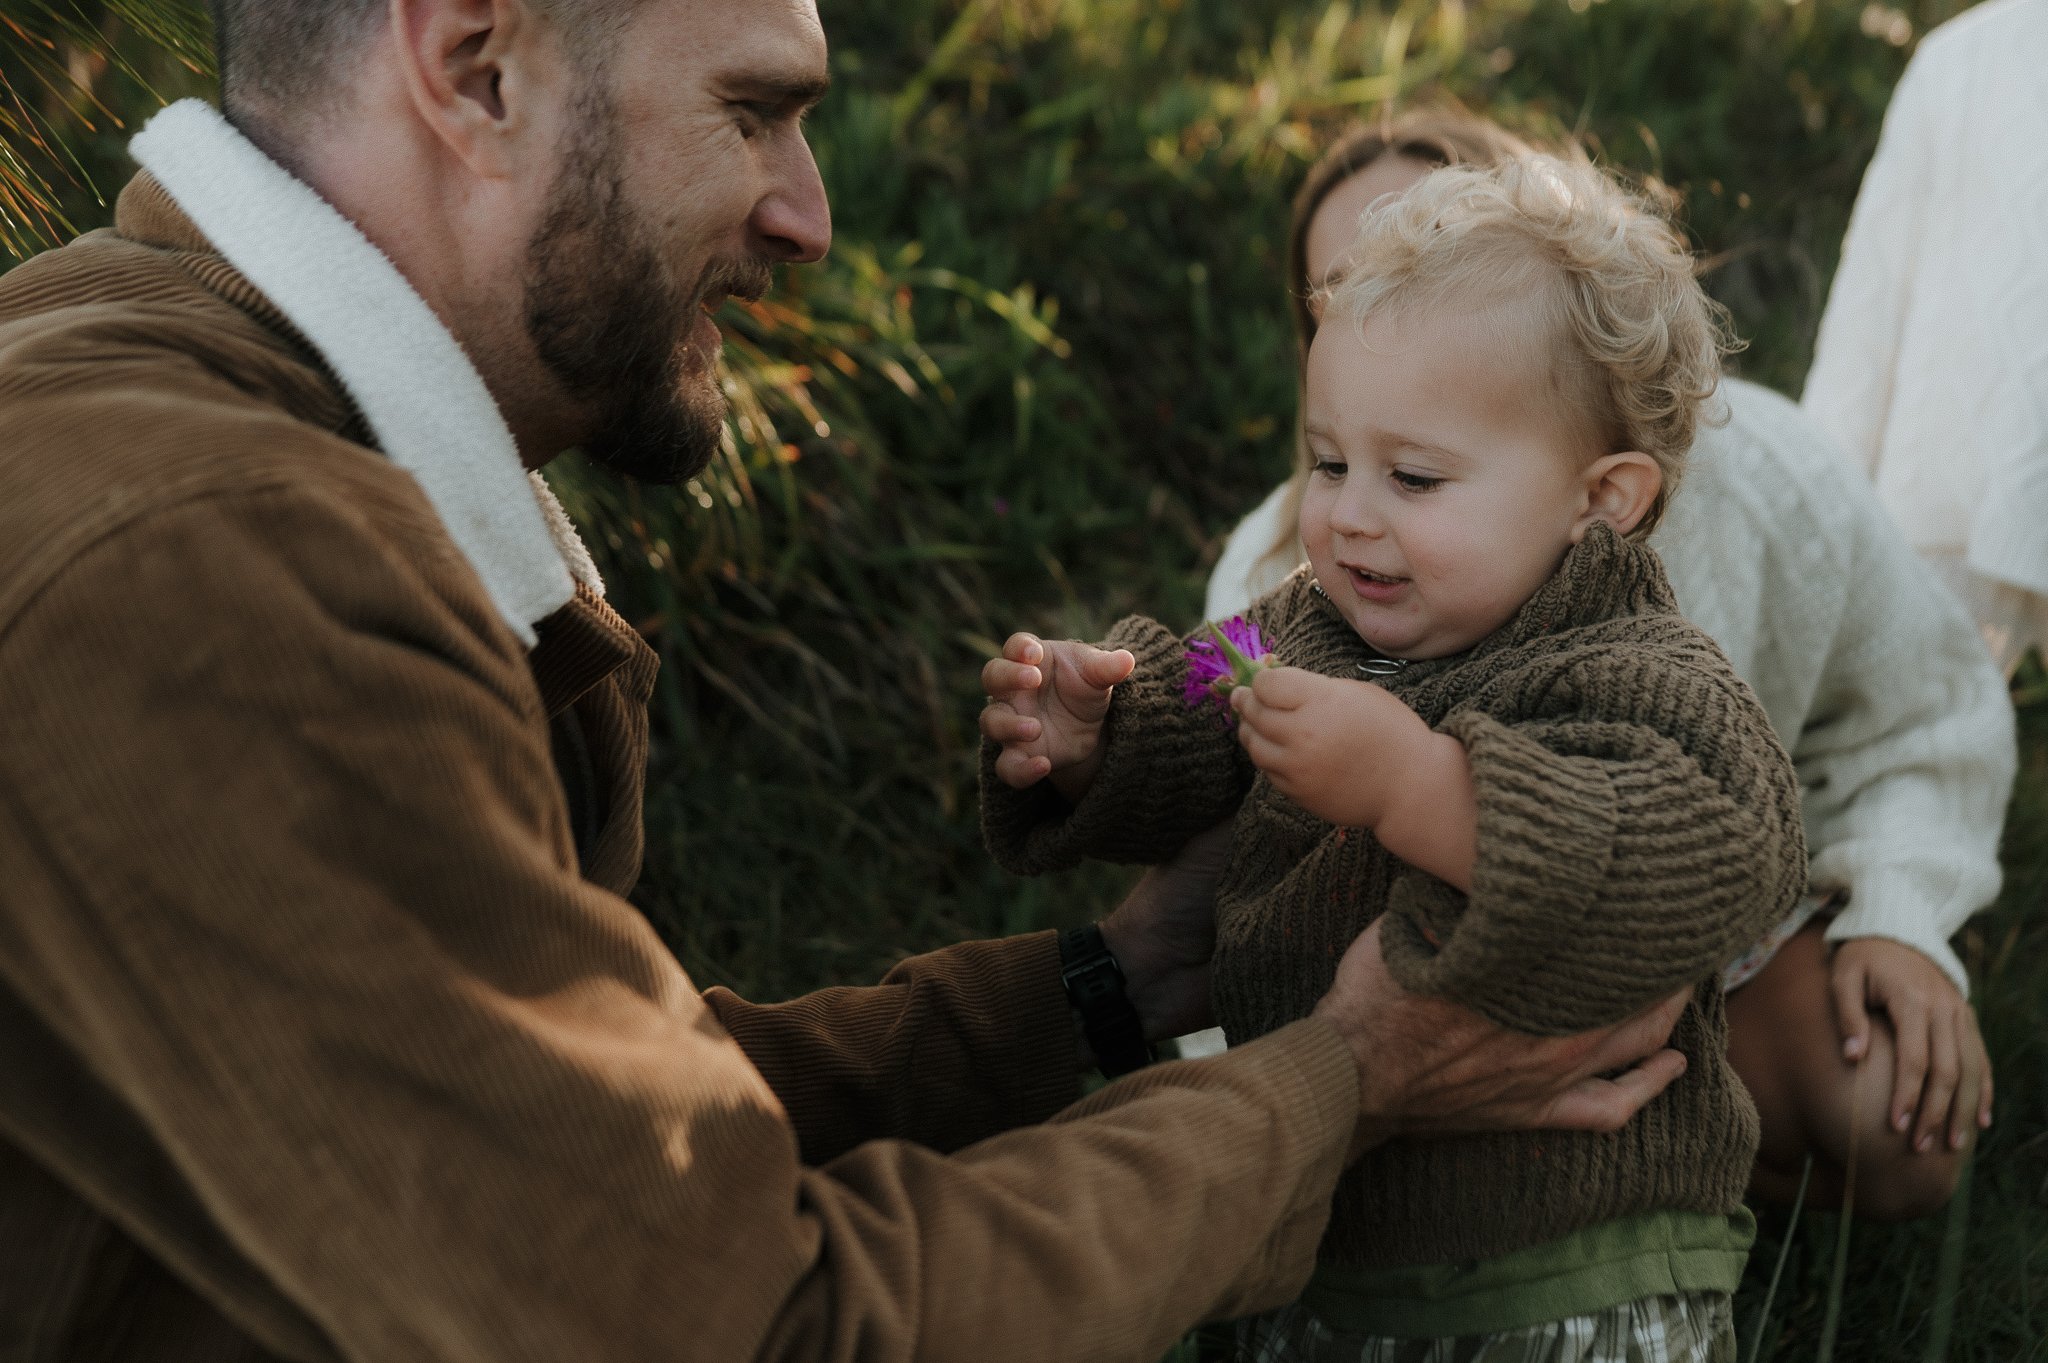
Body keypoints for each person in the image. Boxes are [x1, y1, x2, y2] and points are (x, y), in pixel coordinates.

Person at [0, 2, 1701, 1359]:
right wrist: (1345, 1073)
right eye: (753, 112)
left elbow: (569, 1138)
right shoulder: (219, 572)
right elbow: (740, 1320)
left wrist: (1105, 986)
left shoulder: (153, 399)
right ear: (475, 69)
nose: (809, 213)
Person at [980, 155, 1806, 1359]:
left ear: (1604, 498)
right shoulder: (1313, 618)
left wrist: (1422, 786)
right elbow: (1216, 692)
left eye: (1412, 476)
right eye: (1326, 462)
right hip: (1318, 1217)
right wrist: (1101, 730)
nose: (1350, 515)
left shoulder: (1636, 670)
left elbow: (1711, 851)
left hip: (1558, 1261)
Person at [1207, 110, 2017, 1221]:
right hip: (1414, 957)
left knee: (1893, 1124)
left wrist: (1898, 905)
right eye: (1347, 289)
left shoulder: (1765, 473)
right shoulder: (1287, 566)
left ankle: (1681, 1146)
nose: (1395, 306)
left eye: (1445, 250)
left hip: (1697, 926)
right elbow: (1217, 754)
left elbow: (1924, 708)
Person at [1802, 0, 2048, 675]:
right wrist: (1823, 509)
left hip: (1952, 483)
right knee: (1912, 749)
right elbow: (1872, 305)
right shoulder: (1956, 64)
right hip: (1947, 491)